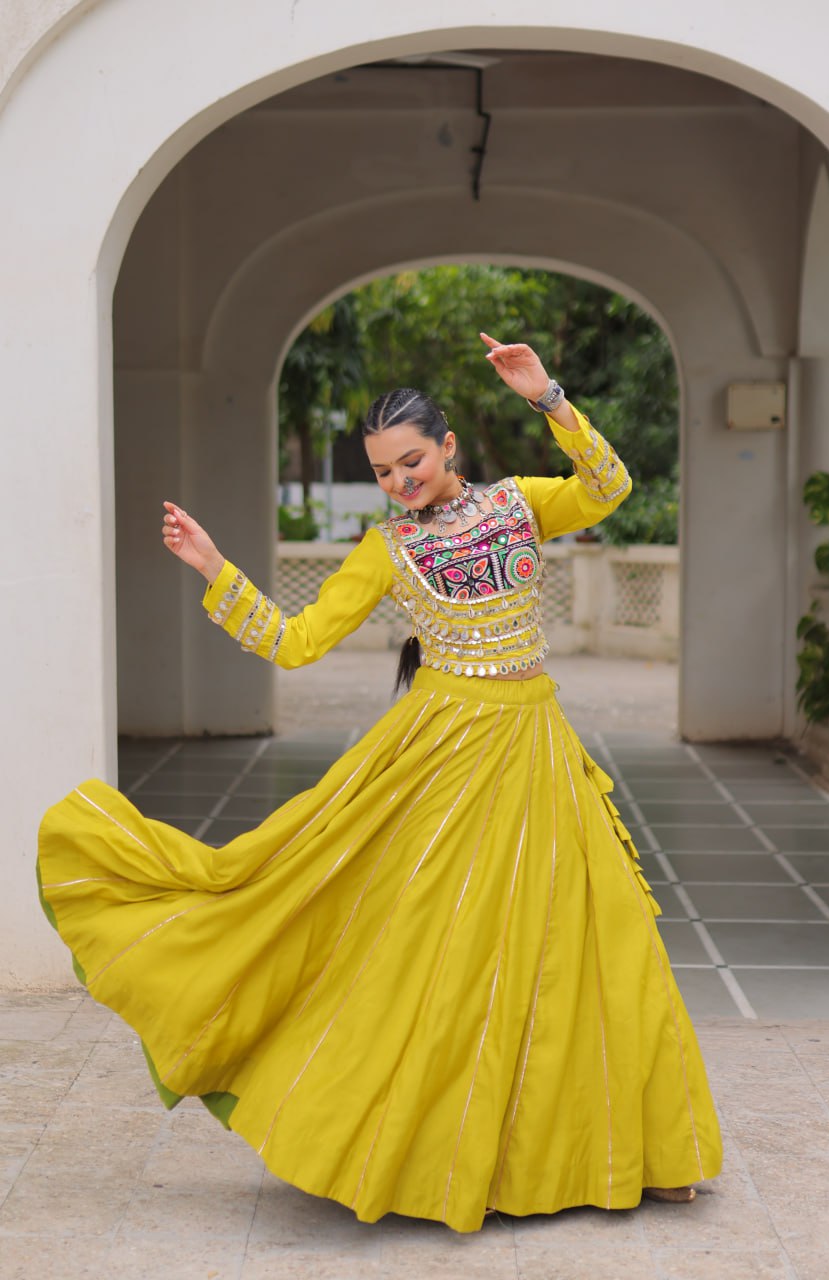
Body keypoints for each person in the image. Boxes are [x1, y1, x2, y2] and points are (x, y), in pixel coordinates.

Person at [38, 333, 722, 1234]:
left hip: (534, 745)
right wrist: (213, 567)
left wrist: (547, 397)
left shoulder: (518, 505)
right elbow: (295, 642)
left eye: (411, 461)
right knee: (439, 944)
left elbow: (609, 488)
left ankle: (646, 1148)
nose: (400, 481)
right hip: (439, 755)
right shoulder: (387, 549)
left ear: (446, 446)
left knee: (599, 934)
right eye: (382, 471)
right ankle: (436, 1152)